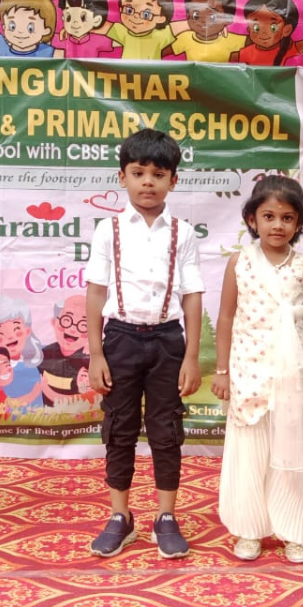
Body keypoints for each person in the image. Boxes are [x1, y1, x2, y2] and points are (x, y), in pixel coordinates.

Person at [84, 128, 205, 558]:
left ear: (174, 180)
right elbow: (96, 292)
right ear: (122, 177)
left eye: (158, 174)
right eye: (138, 173)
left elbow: (192, 294)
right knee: (118, 428)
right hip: (120, 338)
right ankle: (120, 516)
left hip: (168, 340)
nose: (148, 182)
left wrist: (192, 356)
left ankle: (165, 516)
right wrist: (95, 352)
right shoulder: (109, 230)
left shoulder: (183, 233)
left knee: (166, 429)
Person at [211, 176, 303, 564]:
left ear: (298, 223)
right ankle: (249, 529)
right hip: (248, 373)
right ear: (252, 219)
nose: (277, 225)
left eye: (287, 218)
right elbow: (225, 317)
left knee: (293, 453)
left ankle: (295, 531)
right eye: (269, 216)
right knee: (250, 452)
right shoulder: (239, 263)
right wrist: (222, 371)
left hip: (293, 376)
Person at [229, 0, 303, 66]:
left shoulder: (286, 50)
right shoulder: (243, 54)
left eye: (273, 27)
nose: (264, 33)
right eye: (256, 27)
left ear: (286, 30)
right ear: (248, 29)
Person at [165, 0, 246, 63]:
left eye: (212, 17)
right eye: (196, 15)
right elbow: (160, 50)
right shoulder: (185, 38)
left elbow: (252, 43)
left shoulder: (233, 40)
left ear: (228, 19)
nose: (204, 21)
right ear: (188, 15)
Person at [56, 0, 121, 58]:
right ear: (63, 17)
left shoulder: (97, 40)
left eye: (83, 17)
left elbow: (124, 41)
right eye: (68, 17)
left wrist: (100, 28)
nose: (75, 22)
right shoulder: (61, 39)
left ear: (97, 20)